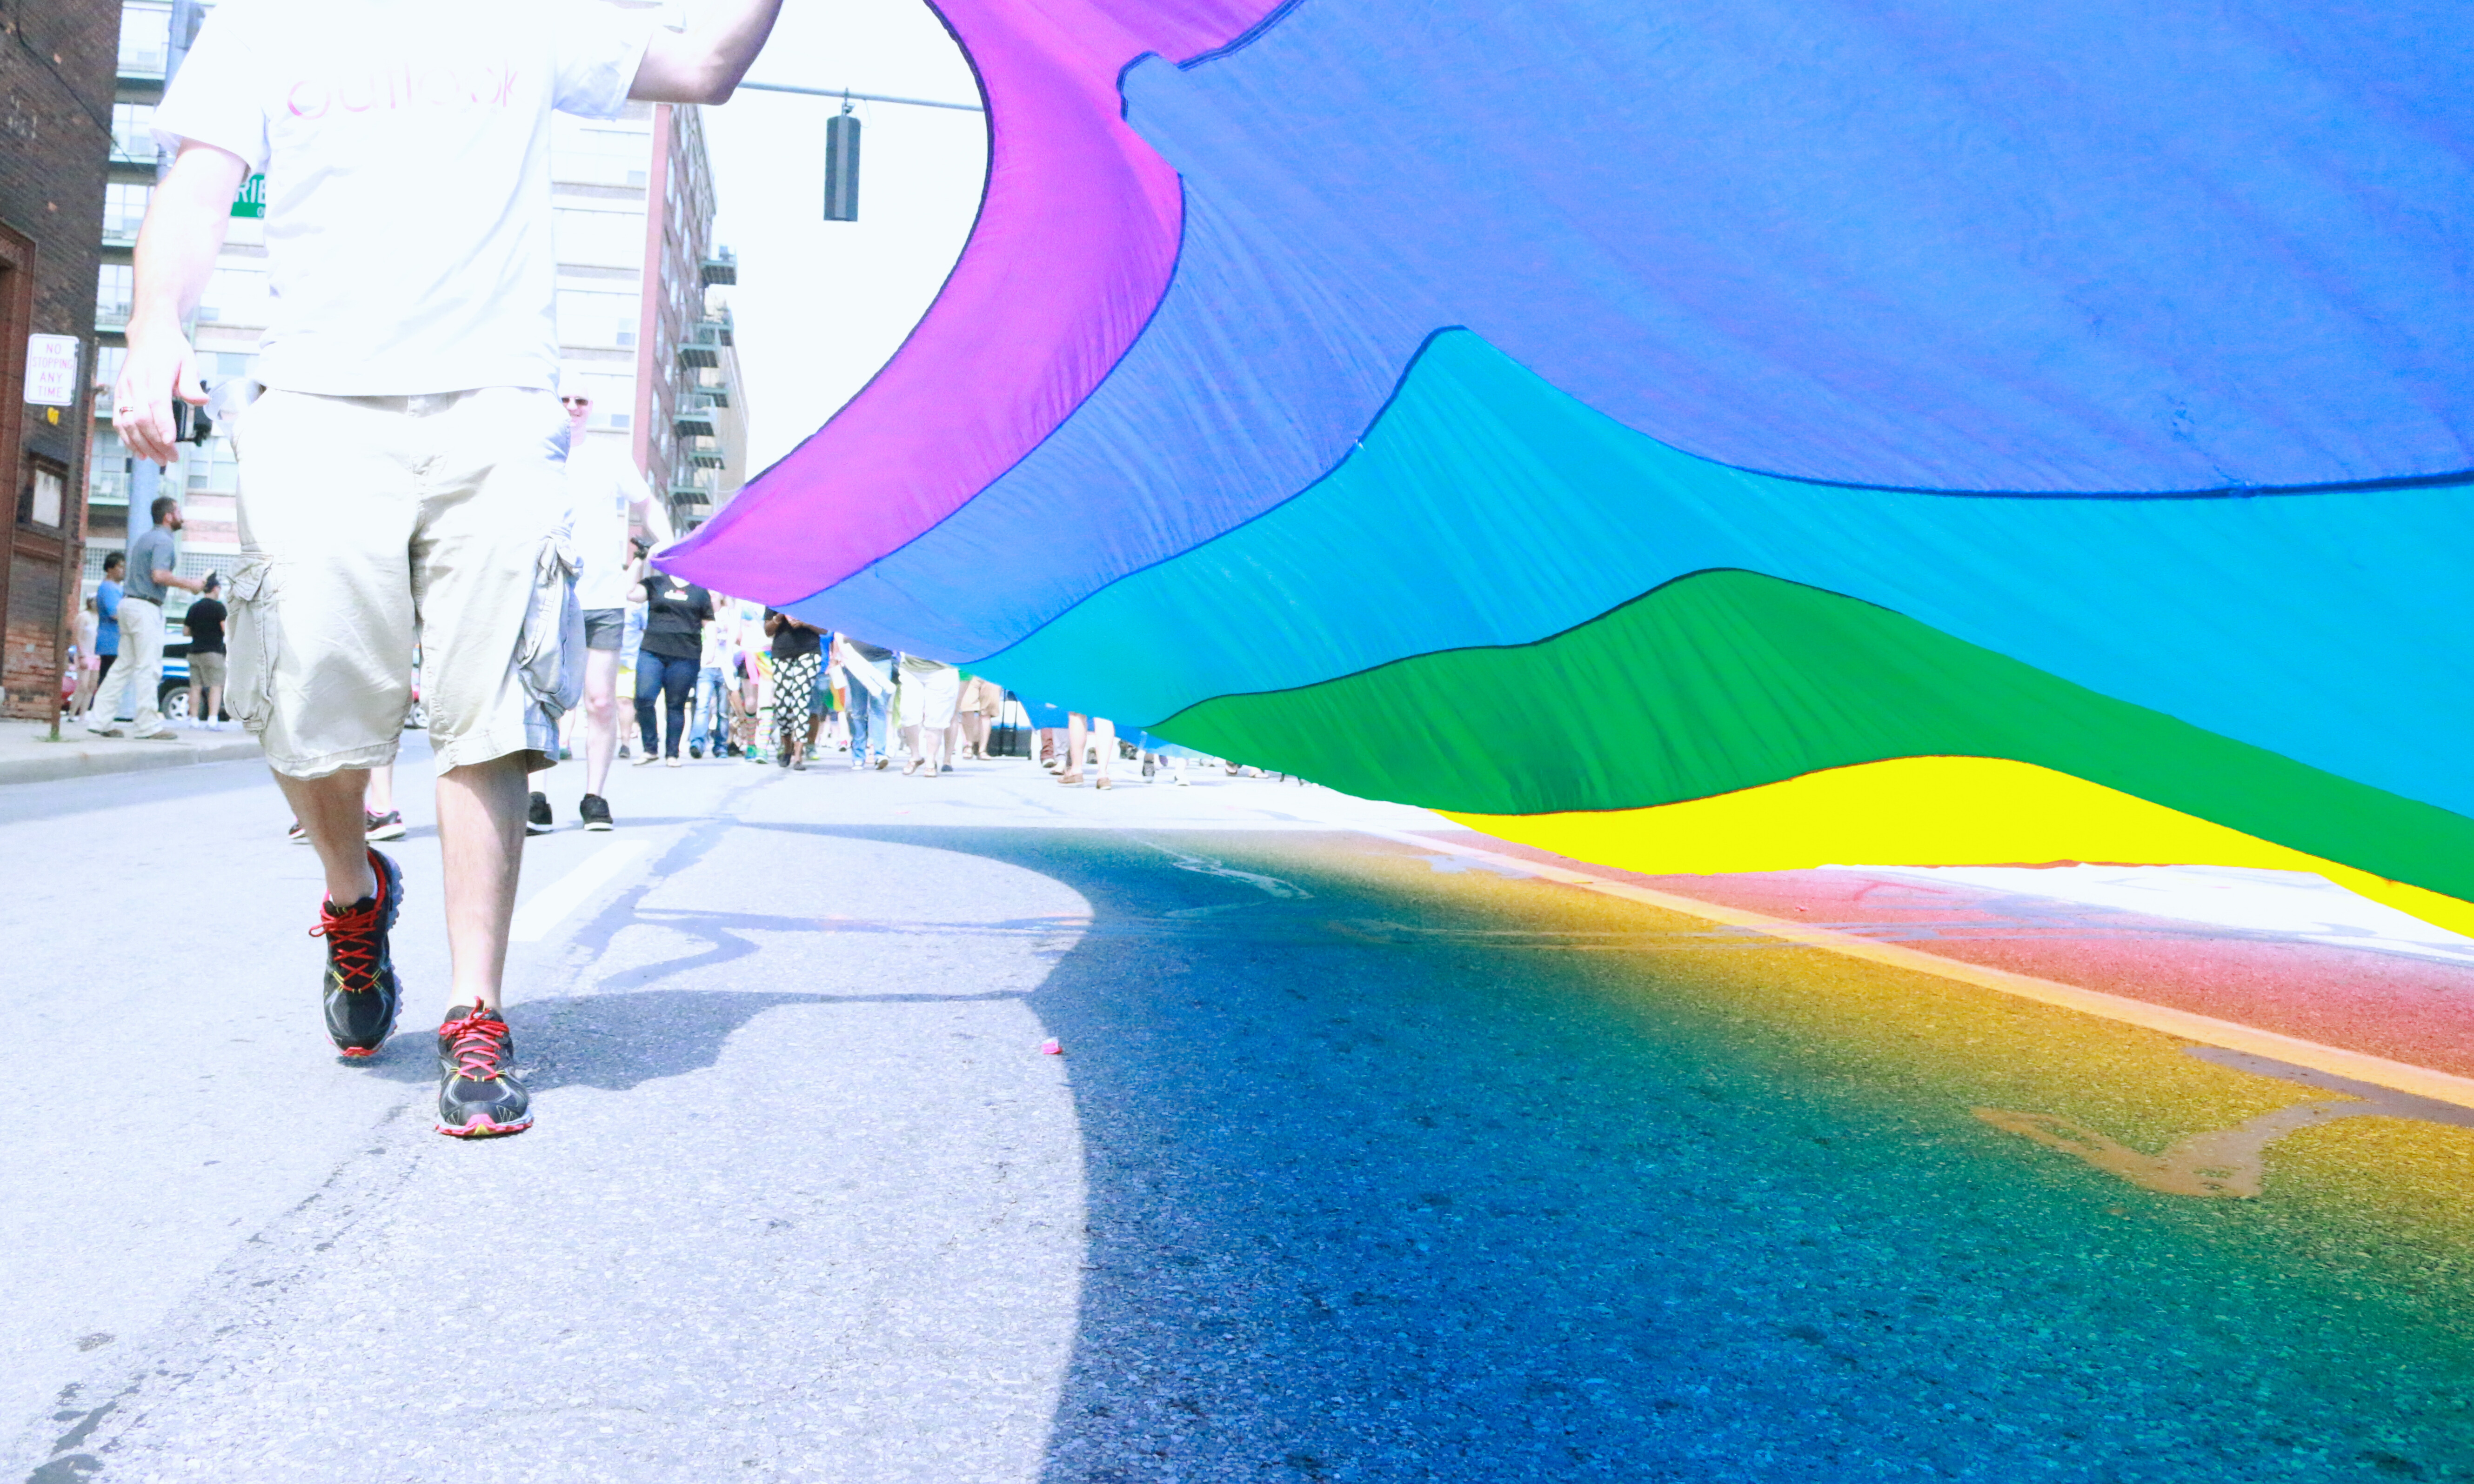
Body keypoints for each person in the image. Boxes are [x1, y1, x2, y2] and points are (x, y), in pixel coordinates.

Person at [117, 0, 786, 1137]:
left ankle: (476, 1010)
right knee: (307, 711)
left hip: (497, 407)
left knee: (491, 712)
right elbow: (194, 184)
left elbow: (707, 65)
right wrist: (151, 321)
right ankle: (353, 893)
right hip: (322, 404)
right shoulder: (266, 22)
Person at [532, 391, 667, 833]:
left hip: (603, 597)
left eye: (582, 400)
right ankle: (536, 796)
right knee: (545, 698)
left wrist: (666, 546)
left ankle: (595, 797)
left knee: (602, 701)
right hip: (546, 592)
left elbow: (646, 504)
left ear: (592, 407)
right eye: (565, 398)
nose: (573, 406)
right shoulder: (534, 451)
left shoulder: (610, 457)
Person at [87, 496, 205, 740]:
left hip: (128, 605)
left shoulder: (144, 539)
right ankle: (147, 726)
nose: (182, 516)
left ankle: (100, 720)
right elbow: (159, 575)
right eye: (178, 511)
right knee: (148, 667)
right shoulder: (164, 541)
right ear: (168, 516)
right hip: (146, 608)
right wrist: (191, 584)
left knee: (122, 666)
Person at [630, 566, 710, 766]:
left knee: (676, 705)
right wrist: (639, 561)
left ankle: (672, 754)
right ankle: (650, 749)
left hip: (686, 655)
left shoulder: (700, 590)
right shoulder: (656, 583)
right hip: (652, 652)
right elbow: (631, 594)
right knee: (644, 697)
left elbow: (709, 622)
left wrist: (712, 648)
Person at [762, 608, 822, 768]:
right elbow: (768, 631)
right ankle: (787, 744)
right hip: (782, 652)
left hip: (809, 651)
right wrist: (779, 617)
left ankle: (798, 755)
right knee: (783, 706)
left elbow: (824, 629)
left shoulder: (812, 593)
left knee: (801, 699)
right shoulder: (776, 598)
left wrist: (805, 623)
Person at [835, 633, 895, 770]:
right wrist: (841, 647)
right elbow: (839, 628)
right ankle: (858, 756)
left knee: (879, 706)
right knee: (858, 709)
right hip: (854, 658)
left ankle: (880, 754)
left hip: (882, 658)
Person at [898, 653, 961, 777]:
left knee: (936, 720)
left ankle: (931, 761)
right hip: (911, 668)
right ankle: (915, 757)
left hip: (943, 670)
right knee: (907, 713)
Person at [183, 570, 228, 728]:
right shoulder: (219, 608)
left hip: (194, 652)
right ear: (215, 588)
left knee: (195, 687)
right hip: (213, 652)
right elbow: (225, 629)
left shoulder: (194, 607)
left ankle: (194, 720)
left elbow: (186, 632)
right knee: (216, 686)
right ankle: (212, 720)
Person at [68, 595, 102, 719]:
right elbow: (76, 636)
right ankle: (72, 714)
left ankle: (83, 715)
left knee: (92, 687)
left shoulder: (100, 618)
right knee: (82, 685)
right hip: (85, 654)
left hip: (97, 656)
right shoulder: (83, 616)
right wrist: (81, 654)